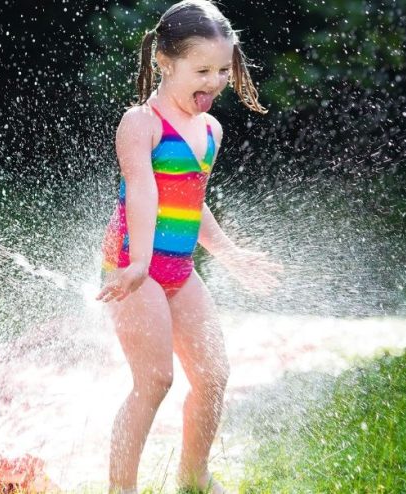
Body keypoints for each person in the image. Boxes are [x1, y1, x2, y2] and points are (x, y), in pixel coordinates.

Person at [96, 1, 283, 492]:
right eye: (202, 70)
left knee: (214, 377)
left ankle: (194, 476)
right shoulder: (142, 122)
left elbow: (189, 201)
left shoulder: (211, 131)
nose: (215, 80)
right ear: (164, 62)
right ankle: (121, 488)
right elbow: (143, 189)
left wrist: (226, 251)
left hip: (179, 269)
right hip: (133, 269)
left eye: (224, 69)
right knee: (154, 381)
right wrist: (137, 262)